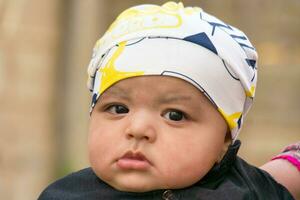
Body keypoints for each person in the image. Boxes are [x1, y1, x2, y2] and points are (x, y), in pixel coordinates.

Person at [38, 2, 298, 199]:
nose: (137, 129)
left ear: (224, 139)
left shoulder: (249, 190)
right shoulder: (66, 195)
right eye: (118, 109)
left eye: (174, 115)